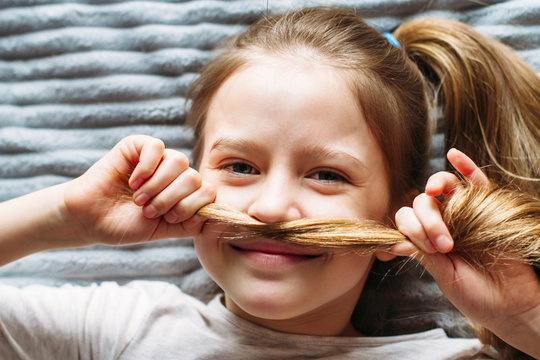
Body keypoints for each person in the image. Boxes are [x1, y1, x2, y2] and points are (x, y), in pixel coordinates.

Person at [0, 6, 538, 359]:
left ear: (397, 214)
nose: (274, 207)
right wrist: (63, 217)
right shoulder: (116, 332)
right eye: (239, 167)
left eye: (327, 174)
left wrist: (525, 320)